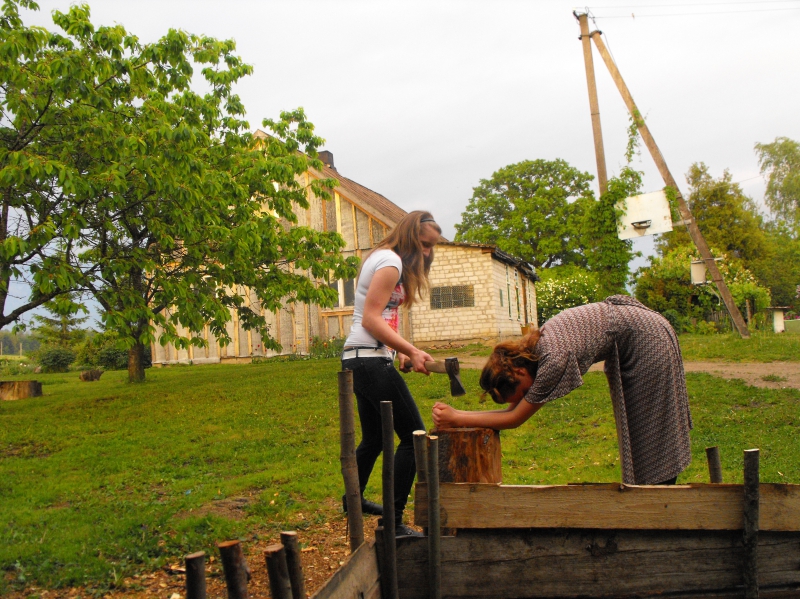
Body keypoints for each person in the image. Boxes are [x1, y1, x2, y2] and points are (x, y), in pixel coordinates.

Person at [432, 295, 693, 486]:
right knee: (641, 430)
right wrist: (459, 415)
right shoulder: (534, 351)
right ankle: (653, 502)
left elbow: (514, 418)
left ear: (519, 373)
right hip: (642, 332)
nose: (524, 400)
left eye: (522, 393)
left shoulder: (552, 359)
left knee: (652, 430)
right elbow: (511, 411)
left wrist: (457, 417)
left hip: (648, 338)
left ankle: (658, 505)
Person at [342, 210, 441, 537]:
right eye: (424, 244)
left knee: (373, 438)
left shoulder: (386, 258)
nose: (427, 252)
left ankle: (352, 502)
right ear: (410, 235)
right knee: (415, 438)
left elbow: (384, 313)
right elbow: (371, 318)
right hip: (368, 359)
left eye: (431, 248)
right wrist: (412, 350)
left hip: (359, 358)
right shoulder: (391, 262)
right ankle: (393, 523)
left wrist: (398, 351)